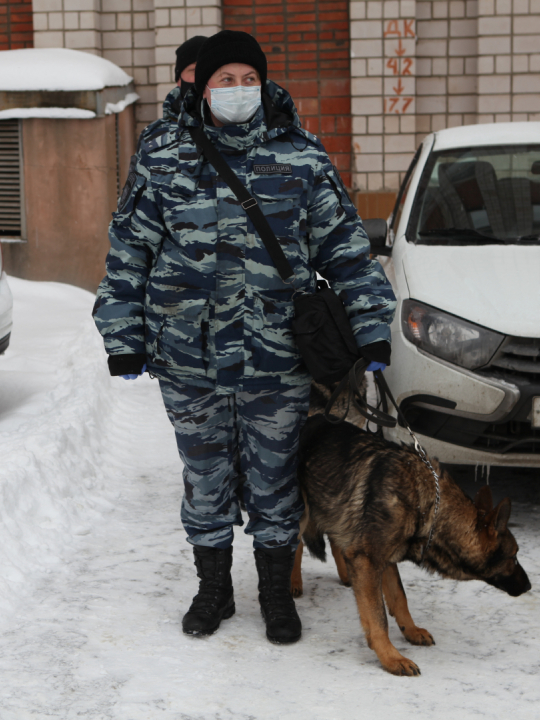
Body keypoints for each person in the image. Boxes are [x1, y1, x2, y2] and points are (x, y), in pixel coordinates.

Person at [92, 30, 396, 644]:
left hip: (275, 355)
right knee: (204, 480)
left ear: (264, 83)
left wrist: (371, 328)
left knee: (275, 482)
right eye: (223, 80)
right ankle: (213, 591)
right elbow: (129, 252)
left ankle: (275, 598)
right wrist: (122, 336)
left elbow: (347, 252)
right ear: (202, 88)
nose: (238, 90)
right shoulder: (164, 157)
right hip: (187, 355)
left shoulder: (302, 157)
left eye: (247, 78)